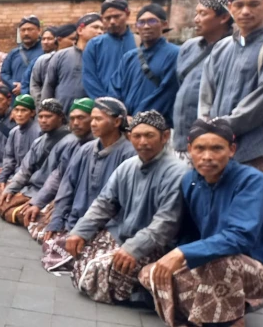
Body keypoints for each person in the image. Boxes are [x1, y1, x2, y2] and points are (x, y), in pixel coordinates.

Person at [139, 118, 263, 327]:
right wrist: (173, 254)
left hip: (251, 265)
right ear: (189, 150)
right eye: (200, 148)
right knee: (150, 273)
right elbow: (190, 231)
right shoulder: (191, 180)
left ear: (231, 150)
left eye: (217, 148)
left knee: (222, 262)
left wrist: (183, 254)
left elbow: (240, 237)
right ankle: (219, 305)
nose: (207, 156)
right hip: (209, 259)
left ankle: (233, 322)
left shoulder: (252, 181)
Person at [64, 111, 185, 304]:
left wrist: (134, 248)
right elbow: (104, 203)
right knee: (79, 254)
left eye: (149, 135)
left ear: (165, 136)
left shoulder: (177, 172)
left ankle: (143, 295)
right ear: (130, 137)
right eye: (137, 136)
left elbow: (166, 223)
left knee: (95, 274)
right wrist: (80, 231)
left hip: (156, 246)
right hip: (123, 236)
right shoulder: (128, 166)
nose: (143, 141)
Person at [40, 97, 135, 272]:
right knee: (42, 229)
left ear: (117, 122)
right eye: (93, 119)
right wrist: (56, 222)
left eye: (99, 119)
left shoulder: (129, 155)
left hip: (108, 226)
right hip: (76, 221)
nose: (93, 123)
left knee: (95, 268)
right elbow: (67, 186)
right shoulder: (85, 149)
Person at [199, 0, 263, 172]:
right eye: (239, 5)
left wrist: (220, 127)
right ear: (230, 8)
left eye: (254, 4)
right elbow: (206, 96)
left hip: (255, 153)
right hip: (216, 150)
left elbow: (261, 103)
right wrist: (205, 127)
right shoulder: (221, 48)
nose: (245, 11)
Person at [23, 97, 95, 240]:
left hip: (92, 212)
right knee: (32, 219)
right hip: (66, 201)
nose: (75, 123)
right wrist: (37, 202)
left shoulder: (115, 151)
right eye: (73, 118)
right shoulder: (74, 144)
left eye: (81, 118)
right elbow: (60, 176)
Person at [172, 0, 232, 159]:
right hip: (181, 140)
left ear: (224, 17)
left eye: (203, 14)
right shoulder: (188, 47)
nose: (196, 19)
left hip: (210, 145)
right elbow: (180, 84)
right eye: (196, 13)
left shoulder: (232, 50)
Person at [0, 99, 69, 224]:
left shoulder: (69, 142)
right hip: (31, 189)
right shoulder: (39, 141)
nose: (43, 120)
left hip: (51, 194)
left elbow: (57, 180)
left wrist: (37, 202)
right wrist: (11, 189)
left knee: (22, 213)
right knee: (2, 199)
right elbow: (25, 170)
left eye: (48, 116)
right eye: (41, 117)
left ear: (60, 117)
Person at [111, 4, 180, 124]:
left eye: (152, 21)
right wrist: (121, 115)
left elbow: (166, 92)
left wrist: (139, 119)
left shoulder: (175, 54)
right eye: (141, 22)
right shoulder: (129, 57)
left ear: (164, 25)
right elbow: (115, 88)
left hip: (156, 124)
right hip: (126, 123)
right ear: (136, 27)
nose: (146, 26)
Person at [43, 13, 105, 113]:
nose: (100, 32)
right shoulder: (61, 56)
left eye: (102, 29)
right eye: (95, 27)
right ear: (80, 30)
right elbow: (49, 86)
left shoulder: (103, 58)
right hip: (63, 116)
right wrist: (46, 112)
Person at [83, 0, 137, 99]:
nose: (112, 21)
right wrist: (106, 105)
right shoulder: (94, 45)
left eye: (117, 16)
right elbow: (89, 78)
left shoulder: (139, 42)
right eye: (107, 18)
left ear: (127, 14)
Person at [0, 94, 41, 191]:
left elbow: (36, 167)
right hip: (14, 176)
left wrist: (15, 182)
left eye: (24, 110)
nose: (19, 114)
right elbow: (9, 159)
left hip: (31, 180)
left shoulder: (39, 132)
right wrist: (1, 179)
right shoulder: (14, 132)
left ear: (32, 113)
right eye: (16, 110)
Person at [24, 25, 69, 105]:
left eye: (49, 39)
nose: (45, 42)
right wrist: (40, 103)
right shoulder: (38, 61)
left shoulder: (64, 60)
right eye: (43, 39)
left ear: (57, 40)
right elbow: (31, 83)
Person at [1, 16, 43, 95]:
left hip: (37, 96)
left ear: (39, 30)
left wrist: (24, 87)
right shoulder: (13, 53)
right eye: (23, 30)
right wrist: (14, 85)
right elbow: (4, 73)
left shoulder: (45, 52)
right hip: (17, 98)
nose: (26, 33)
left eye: (30, 29)